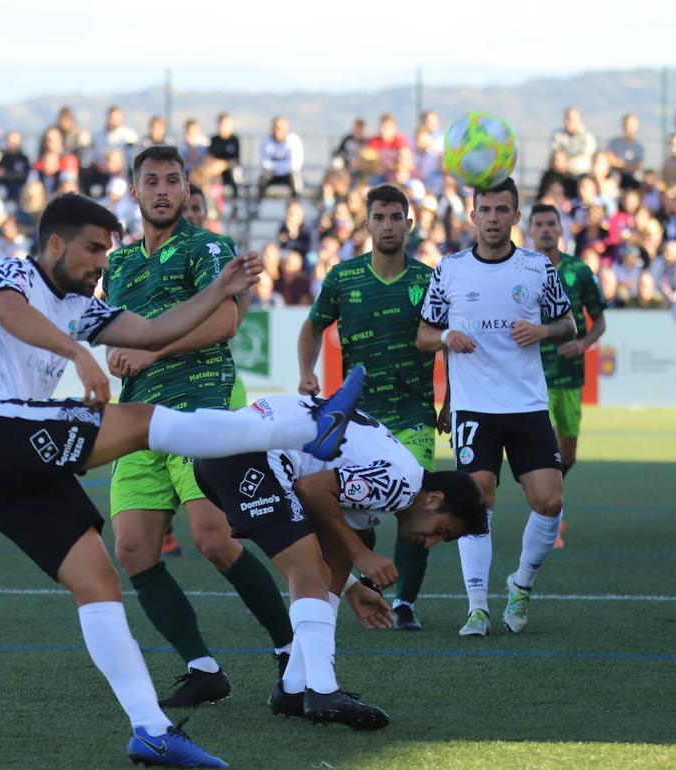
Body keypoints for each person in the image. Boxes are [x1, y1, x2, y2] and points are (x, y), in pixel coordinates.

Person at [0, 192, 365, 768]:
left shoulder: (81, 304)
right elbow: (13, 312)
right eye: (92, 249)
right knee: (142, 424)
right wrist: (80, 355)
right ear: (56, 243)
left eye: (106, 251)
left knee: (98, 581)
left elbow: (151, 330)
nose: (100, 263)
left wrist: (219, 289)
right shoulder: (12, 273)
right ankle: (308, 422)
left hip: (1, 465)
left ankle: (151, 731)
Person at [102, 146, 294, 709]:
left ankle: (290, 651)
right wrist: (118, 352)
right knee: (134, 549)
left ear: (187, 190)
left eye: (172, 180)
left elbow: (227, 318)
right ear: (134, 193)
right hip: (138, 417)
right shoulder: (118, 264)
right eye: (151, 181)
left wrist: (152, 353)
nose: (162, 190)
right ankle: (202, 666)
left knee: (215, 539)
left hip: (199, 407)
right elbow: (118, 330)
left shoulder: (207, 248)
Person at [193, 393, 486, 729]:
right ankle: (323, 691)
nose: (431, 542)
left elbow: (332, 548)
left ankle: (292, 688)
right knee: (308, 571)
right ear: (435, 498)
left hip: (226, 454)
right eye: (442, 531)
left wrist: (351, 588)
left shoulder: (390, 482)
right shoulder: (401, 486)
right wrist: (363, 556)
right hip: (251, 455)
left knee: (316, 571)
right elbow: (313, 489)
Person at [417, 177, 576, 637]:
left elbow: (568, 322)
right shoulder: (448, 269)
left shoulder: (537, 268)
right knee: (477, 495)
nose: (492, 218)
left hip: (526, 404)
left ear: (514, 216)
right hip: (474, 407)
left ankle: (521, 584)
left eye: (501, 210)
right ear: (473, 215)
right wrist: (447, 336)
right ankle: (478, 606)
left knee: (549, 501)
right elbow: (424, 335)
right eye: (484, 210)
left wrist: (543, 331)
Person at [297, 184, 439, 632]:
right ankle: (366, 586)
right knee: (359, 512)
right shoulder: (343, 277)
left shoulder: (428, 279)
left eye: (397, 217)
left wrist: (451, 399)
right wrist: (307, 372)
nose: (388, 225)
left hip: (414, 414)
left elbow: (449, 342)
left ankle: (407, 605)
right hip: (359, 420)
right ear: (367, 224)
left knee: (415, 507)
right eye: (380, 217)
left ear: (409, 225)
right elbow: (312, 326)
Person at [529, 204, 607, 549]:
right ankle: (549, 515)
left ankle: (549, 501)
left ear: (560, 229)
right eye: (539, 224)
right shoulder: (521, 269)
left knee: (568, 453)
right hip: (532, 378)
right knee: (544, 453)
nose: (545, 230)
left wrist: (585, 342)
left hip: (570, 376)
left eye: (551, 224)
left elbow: (599, 319)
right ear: (530, 230)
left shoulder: (579, 270)